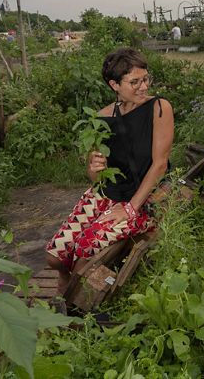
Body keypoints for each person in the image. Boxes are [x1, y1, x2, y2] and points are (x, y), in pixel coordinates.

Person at [45, 48, 174, 293]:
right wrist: (93, 168)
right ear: (114, 84)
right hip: (108, 194)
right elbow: (97, 180)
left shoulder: (159, 108)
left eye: (146, 79)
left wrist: (130, 208)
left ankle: (79, 309)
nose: (144, 87)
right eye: (134, 82)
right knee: (55, 255)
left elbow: (160, 164)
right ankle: (65, 278)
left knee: (85, 253)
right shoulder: (102, 118)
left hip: (143, 198)